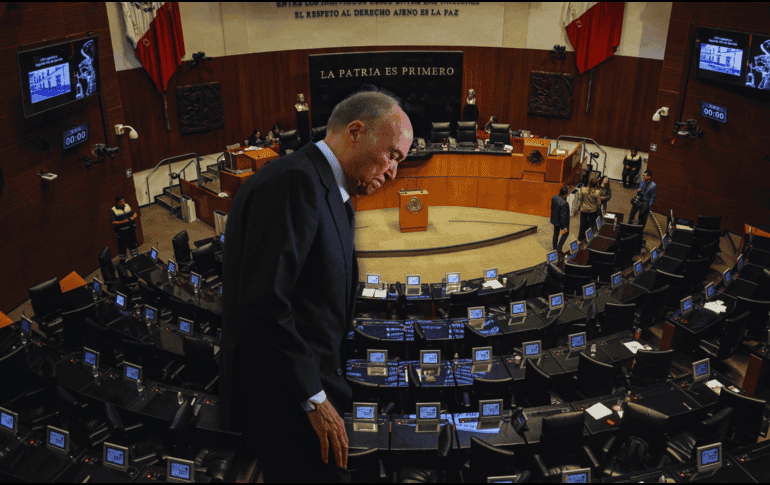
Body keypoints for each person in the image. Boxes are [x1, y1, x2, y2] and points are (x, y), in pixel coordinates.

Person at [220, 91, 413, 482]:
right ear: (355, 131)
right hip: (287, 402)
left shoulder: (330, 189)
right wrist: (314, 397)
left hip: (304, 390)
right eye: (392, 154)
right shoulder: (295, 181)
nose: (394, 172)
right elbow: (264, 301)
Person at [109, 195, 139, 261]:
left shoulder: (127, 206)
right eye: (120, 202)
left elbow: (134, 213)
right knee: (122, 247)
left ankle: (135, 258)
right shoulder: (113, 210)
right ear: (117, 203)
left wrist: (133, 217)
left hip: (130, 230)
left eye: (123, 201)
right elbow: (112, 222)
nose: (123, 203)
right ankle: (124, 261)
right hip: (121, 232)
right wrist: (122, 222)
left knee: (133, 245)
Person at [578, 178, 601, 244]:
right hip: (592, 211)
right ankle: (588, 238)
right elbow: (599, 203)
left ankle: (580, 237)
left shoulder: (583, 189)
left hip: (583, 209)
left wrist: (579, 207)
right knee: (590, 225)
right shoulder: (597, 192)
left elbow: (580, 199)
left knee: (582, 224)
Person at [550, 186, 570, 252]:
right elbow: (563, 216)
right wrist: (564, 227)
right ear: (565, 194)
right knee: (566, 233)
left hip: (555, 219)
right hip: (561, 222)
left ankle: (554, 247)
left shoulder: (554, 197)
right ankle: (559, 248)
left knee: (556, 233)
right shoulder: (564, 203)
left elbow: (551, 207)